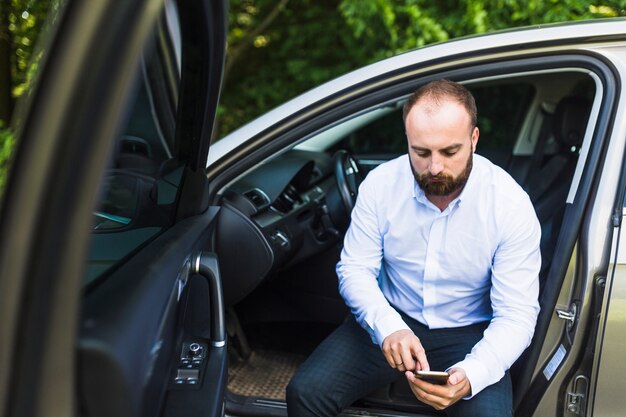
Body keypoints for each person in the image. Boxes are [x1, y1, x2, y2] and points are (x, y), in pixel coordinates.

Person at [286, 79, 541, 417]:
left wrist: (473, 374)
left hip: (470, 333)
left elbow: (517, 314)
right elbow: (355, 270)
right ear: (407, 140)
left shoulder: (510, 205)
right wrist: (388, 327)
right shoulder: (379, 185)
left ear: (474, 140)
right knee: (306, 394)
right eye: (421, 152)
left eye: (450, 151)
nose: (435, 168)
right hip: (391, 318)